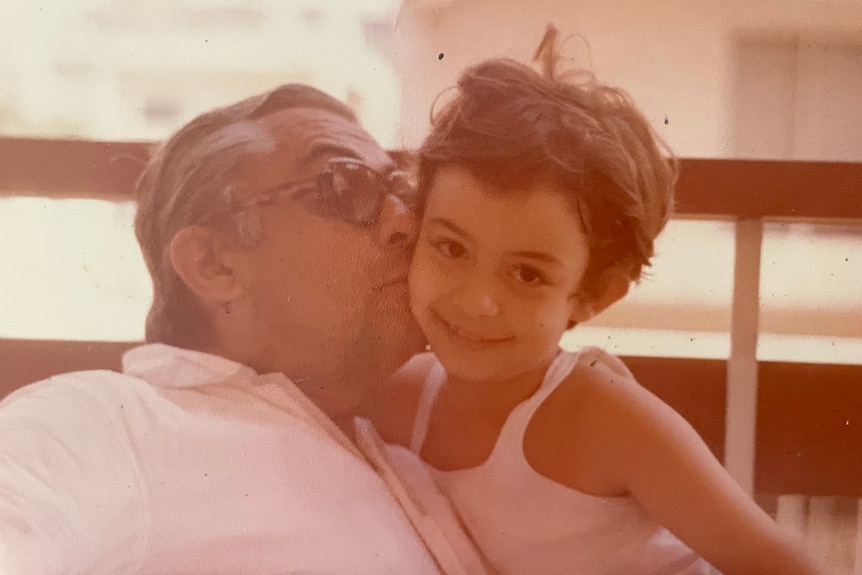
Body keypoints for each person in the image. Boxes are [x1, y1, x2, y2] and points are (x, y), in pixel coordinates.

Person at [365, 28, 831, 575]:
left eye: (527, 274)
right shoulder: (400, 397)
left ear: (591, 295)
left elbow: (784, 565)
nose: (478, 300)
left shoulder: (605, 416)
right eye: (450, 247)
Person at [0, 84, 447, 574]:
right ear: (213, 264)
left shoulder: (413, 463)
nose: (404, 223)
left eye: (403, 191)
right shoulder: (111, 423)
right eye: (345, 186)